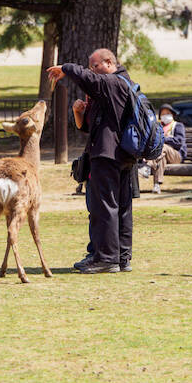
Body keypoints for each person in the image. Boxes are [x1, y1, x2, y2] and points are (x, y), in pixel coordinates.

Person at [48, 49, 134, 274]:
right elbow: (88, 127)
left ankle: (105, 258)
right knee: (120, 207)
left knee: (103, 207)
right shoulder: (119, 85)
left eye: (95, 66)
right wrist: (79, 113)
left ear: (108, 62)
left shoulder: (114, 82)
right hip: (121, 154)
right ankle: (120, 257)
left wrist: (65, 68)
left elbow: (89, 80)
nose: (91, 71)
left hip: (108, 154)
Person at [139, 104, 187, 194]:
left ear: (172, 115)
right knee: (160, 158)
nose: (165, 116)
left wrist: (163, 139)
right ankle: (156, 185)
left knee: (162, 147)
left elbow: (179, 142)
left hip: (176, 155)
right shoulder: (157, 127)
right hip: (162, 155)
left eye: (168, 113)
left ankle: (147, 166)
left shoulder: (178, 126)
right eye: (163, 114)